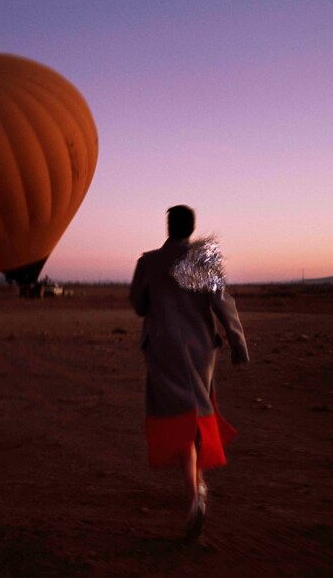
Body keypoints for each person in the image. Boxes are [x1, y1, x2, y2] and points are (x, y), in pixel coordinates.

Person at [129, 205, 249, 540]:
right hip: (200, 352)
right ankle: (196, 487)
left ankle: (195, 493)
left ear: (168, 227)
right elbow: (224, 304)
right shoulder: (201, 260)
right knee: (195, 414)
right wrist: (238, 344)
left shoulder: (148, 262)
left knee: (180, 417)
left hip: (163, 351)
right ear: (191, 229)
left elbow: (139, 305)